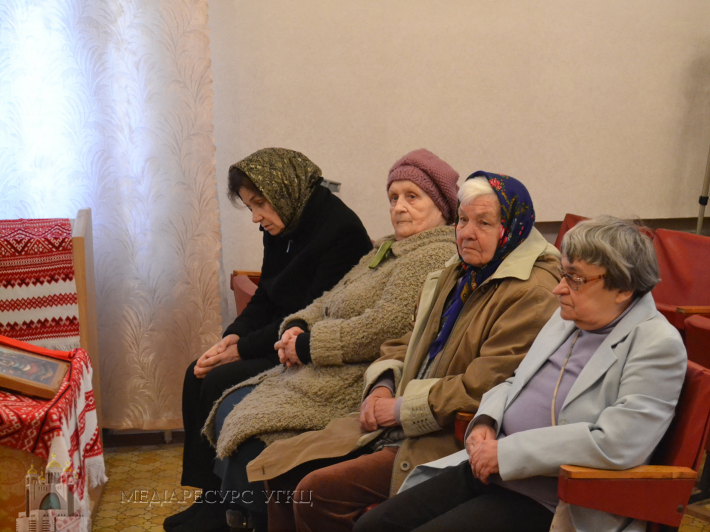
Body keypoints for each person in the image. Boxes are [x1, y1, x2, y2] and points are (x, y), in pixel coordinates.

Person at [248, 171, 562, 532]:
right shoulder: (461, 270)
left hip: (445, 436)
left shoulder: (531, 292)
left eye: (484, 223)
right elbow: (406, 340)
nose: (467, 232)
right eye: (463, 220)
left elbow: (482, 387)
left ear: (512, 226)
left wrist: (398, 409)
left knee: (317, 491)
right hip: (398, 421)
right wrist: (382, 385)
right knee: (280, 473)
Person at [355, 216, 687, 532]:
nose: (558, 289)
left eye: (575, 279)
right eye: (563, 274)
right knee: (372, 526)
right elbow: (516, 381)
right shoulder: (569, 319)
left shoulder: (657, 344)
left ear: (624, 288)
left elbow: (616, 443)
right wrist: (486, 421)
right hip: (491, 468)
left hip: (551, 499)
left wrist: (507, 454)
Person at [202, 149, 461, 530]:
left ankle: (253, 516)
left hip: (355, 376)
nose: (399, 207)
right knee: (231, 403)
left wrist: (308, 343)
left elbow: (384, 326)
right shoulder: (390, 246)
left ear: (441, 204)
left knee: (248, 419)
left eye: (412, 197)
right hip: (323, 366)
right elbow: (331, 296)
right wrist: (297, 324)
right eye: (393, 197)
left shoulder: (433, 254)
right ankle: (238, 513)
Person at [165, 147, 373, 532]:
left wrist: (241, 350)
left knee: (218, 379)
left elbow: (310, 313)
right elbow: (266, 294)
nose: (256, 217)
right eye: (251, 207)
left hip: (307, 349)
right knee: (196, 372)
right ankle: (209, 496)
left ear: (284, 188)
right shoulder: (283, 222)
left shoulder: (339, 231)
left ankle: (223, 507)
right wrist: (231, 337)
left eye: (260, 204)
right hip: (275, 338)